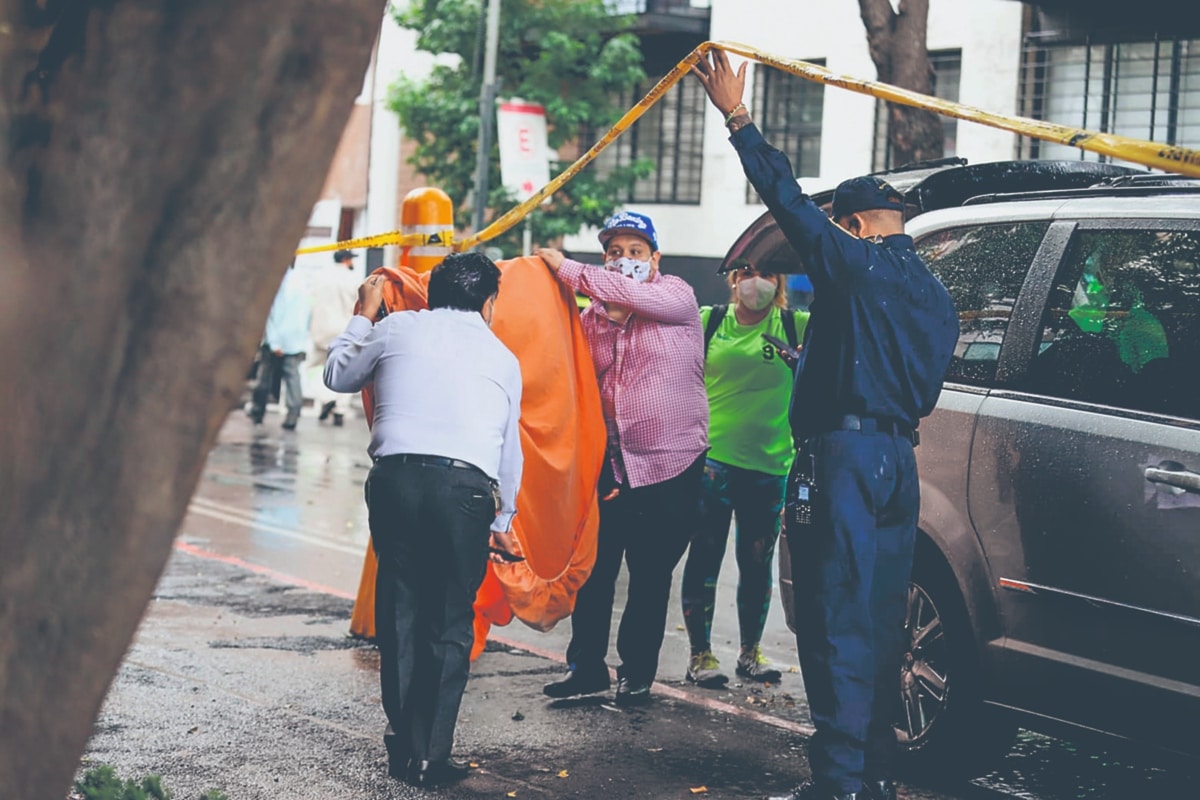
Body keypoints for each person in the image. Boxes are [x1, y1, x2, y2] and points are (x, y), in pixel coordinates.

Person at [694, 51, 958, 800]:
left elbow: (784, 197)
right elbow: (917, 382)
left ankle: (839, 782)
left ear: (851, 224)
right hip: (897, 461)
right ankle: (873, 773)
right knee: (880, 621)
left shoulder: (851, 259)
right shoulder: (935, 295)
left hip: (838, 459)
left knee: (832, 616)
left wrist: (737, 115)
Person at [324, 252, 524, 788]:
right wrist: (503, 520)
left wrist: (364, 313)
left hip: (396, 483)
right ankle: (430, 755)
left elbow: (338, 374)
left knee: (401, 612)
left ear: (430, 295)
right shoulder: (503, 356)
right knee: (450, 621)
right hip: (464, 491)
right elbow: (509, 453)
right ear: (488, 302)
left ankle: (403, 740)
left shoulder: (395, 330)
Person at [536, 211, 708, 707]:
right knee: (595, 569)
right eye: (614, 252)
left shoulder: (676, 295)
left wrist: (568, 269)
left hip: (671, 465)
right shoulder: (591, 318)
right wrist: (605, 316)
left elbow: (637, 296)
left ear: (655, 258)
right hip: (611, 464)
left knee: (651, 575)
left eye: (635, 252)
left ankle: (636, 672)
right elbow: (584, 377)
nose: (624, 261)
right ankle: (586, 667)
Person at [681, 262, 808, 689]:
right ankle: (700, 655)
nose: (758, 282)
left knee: (757, 564)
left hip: (771, 468)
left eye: (770, 273)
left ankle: (750, 651)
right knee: (704, 561)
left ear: (781, 283)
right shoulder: (708, 321)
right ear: (734, 278)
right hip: (711, 465)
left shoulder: (797, 326)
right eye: (750, 271)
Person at [249, 263, 311, 430]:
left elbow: (270, 312)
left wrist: (273, 341)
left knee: (264, 377)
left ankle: (257, 412)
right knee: (293, 378)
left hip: (276, 338)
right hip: (296, 339)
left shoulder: (276, 281)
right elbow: (307, 311)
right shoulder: (302, 280)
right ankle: (293, 414)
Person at [309, 249, 361, 426]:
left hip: (321, 330)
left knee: (315, 368)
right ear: (346, 260)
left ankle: (326, 398)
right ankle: (340, 408)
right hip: (344, 330)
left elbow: (312, 301)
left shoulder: (319, 277)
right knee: (345, 370)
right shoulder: (353, 279)